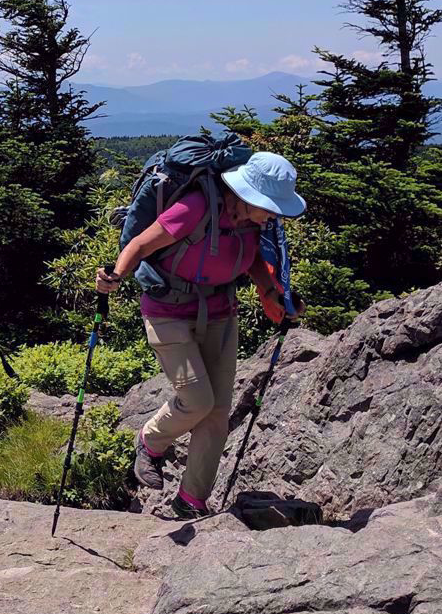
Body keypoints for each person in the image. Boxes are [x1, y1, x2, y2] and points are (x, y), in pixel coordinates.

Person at [96, 152, 304, 518]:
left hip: (221, 310)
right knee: (196, 398)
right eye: (270, 207)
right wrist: (115, 276)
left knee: (217, 412)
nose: (274, 215)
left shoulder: (253, 223)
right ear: (247, 196)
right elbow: (142, 243)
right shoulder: (196, 207)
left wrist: (270, 292)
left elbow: (252, 257)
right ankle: (150, 441)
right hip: (168, 311)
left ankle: (191, 501)